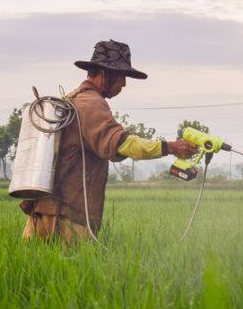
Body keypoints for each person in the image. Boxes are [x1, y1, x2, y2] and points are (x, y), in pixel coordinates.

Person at [20, 40, 198, 244]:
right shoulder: (92, 104)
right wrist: (171, 147)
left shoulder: (74, 98)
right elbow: (121, 144)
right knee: (72, 274)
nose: (124, 84)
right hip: (65, 221)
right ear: (104, 74)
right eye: (122, 76)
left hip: (42, 214)